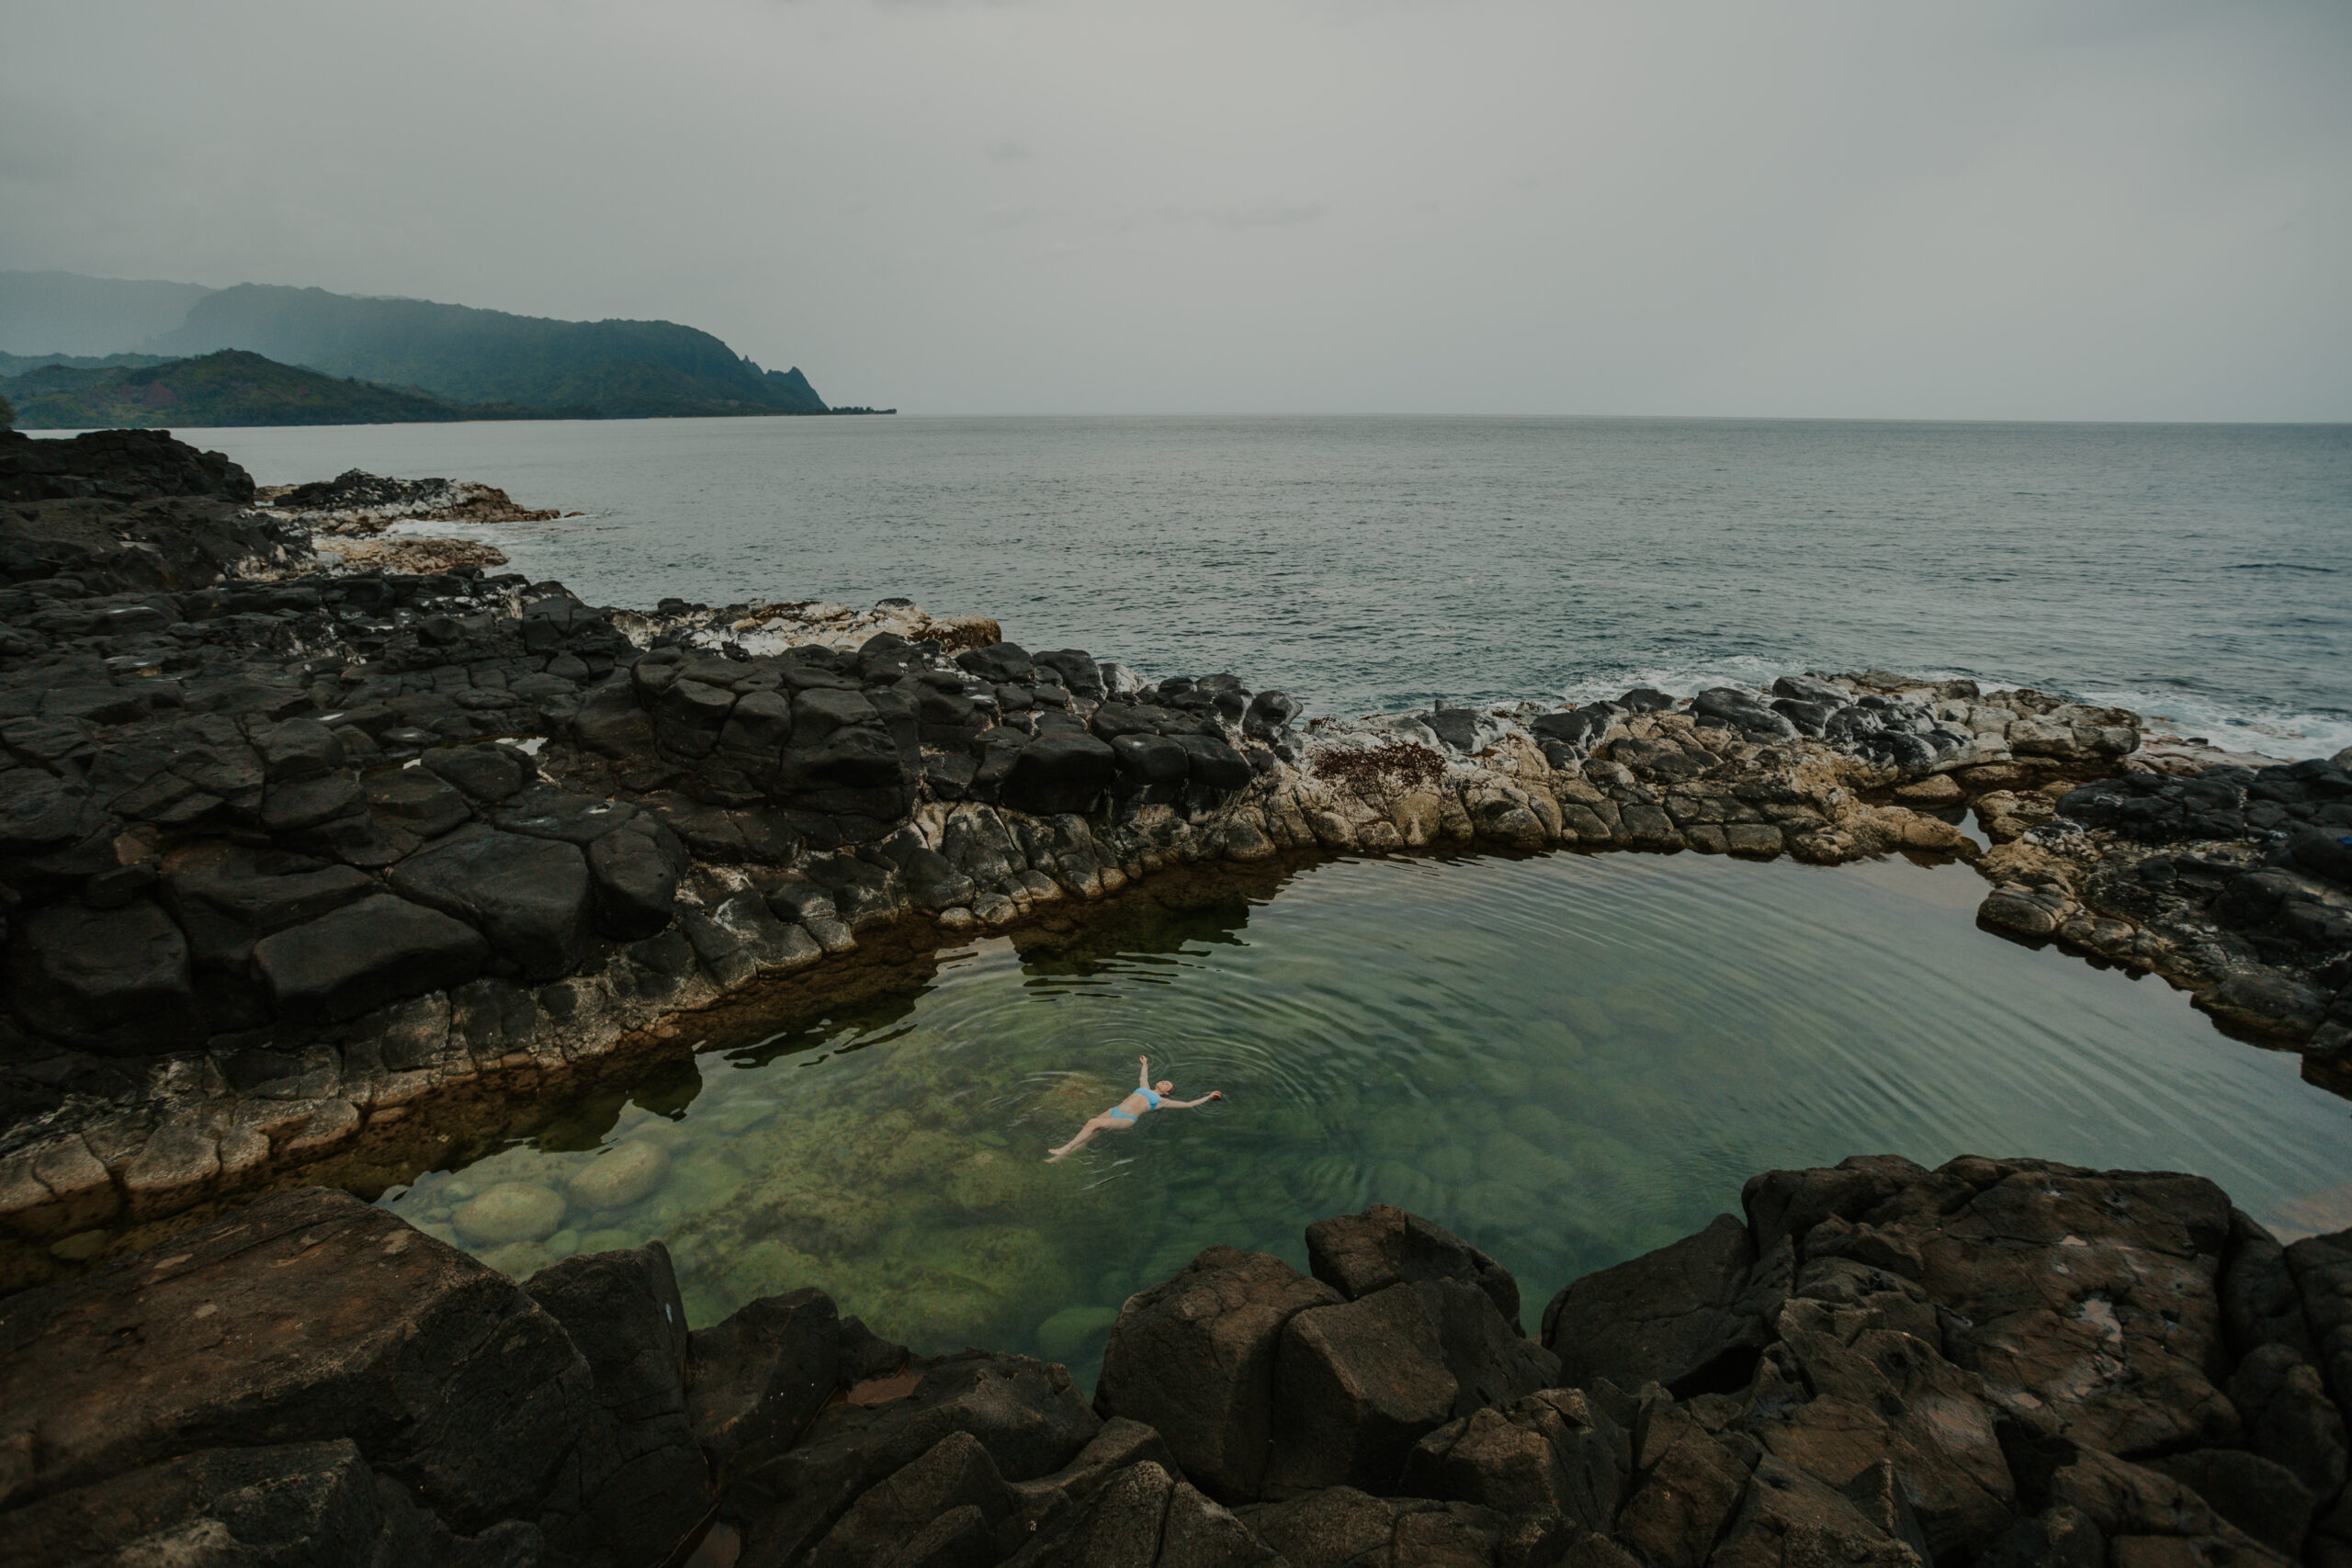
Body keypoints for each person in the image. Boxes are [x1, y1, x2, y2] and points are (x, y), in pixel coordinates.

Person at [1046, 1054, 1221, 1162]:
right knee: (1090, 1135)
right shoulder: (1145, 1088)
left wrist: (1208, 1097)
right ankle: (1060, 1158)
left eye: (1167, 1084)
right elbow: (1143, 1077)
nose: (1164, 1082)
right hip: (1114, 1111)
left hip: (1126, 1119)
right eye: (1164, 1080)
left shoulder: (1161, 1102)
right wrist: (1145, 1064)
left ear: (1167, 1093)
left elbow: (1188, 1104)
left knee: (1092, 1123)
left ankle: (1066, 1148)